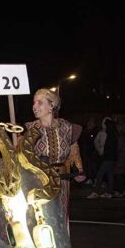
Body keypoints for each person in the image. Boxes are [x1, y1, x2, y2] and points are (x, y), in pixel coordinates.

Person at [25, 88, 85, 226]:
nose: (35, 107)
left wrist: (79, 169)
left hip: (62, 182)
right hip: (39, 182)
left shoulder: (68, 128)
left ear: (51, 106)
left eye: (40, 103)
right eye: (34, 103)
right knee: (42, 218)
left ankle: (62, 246)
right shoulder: (29, 129)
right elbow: (21, 155)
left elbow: (74, 150)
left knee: (61, 217)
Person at [87, 117, 118, 198]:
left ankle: (96, 191)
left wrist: (103, 152)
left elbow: (109, 147)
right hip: (110, 158)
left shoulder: (110, 134)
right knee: (110, 175)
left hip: (108, 158)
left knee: (100, 174)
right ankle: (110, 192)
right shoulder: (112, 133)